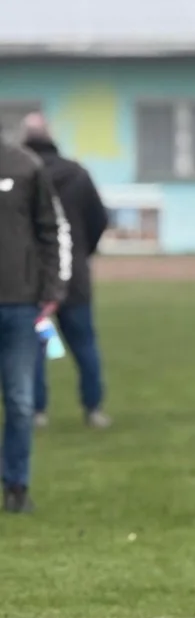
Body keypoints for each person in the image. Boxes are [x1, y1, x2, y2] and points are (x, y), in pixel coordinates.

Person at [20, 114, 111, 430]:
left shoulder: (20, 174)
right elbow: (99, 219)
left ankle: (36, 411)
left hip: (32, 278)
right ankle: (93, 408)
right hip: (74, 277)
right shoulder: (77, 174)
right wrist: (81, 251)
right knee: (83, 343)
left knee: (34, 346)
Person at [0, 124, 69, 513]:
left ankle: (16, 485)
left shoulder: (25, 166)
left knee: (20, 401)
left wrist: (52, 288)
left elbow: (50, 229)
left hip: (20, 304)